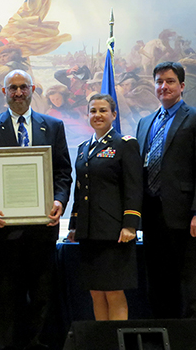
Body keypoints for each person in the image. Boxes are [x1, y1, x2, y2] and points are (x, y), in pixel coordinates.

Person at [0, 69, 72, 350]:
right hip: (4, 231)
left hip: (42, 230)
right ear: (4, 92)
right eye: (12, 88)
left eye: (23, 87)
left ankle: (36, 345)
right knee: (5, 295)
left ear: (33, 89)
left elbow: (63, 172)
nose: (18, 92)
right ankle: (5, 346)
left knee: (41, 295)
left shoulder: (52, 126)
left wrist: (59, 201)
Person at [135, 61, 196, 322]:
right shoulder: (144, 122)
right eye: (159, 81)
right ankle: (165, 338)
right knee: (158, 285)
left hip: (187, 218)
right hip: (152, 215)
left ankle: (192, 342)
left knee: (190, 286)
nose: (164, 86)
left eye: (170, 81)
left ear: (182, 86)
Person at [67, 93, 143, 321]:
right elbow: (80, 191)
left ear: (114, 115)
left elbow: (134, 187)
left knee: (113, 291)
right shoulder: (83, 148)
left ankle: (116, 342)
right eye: (93, 111)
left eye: (103, 110)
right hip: (89, 232)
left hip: (115, 233)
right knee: (96, 292)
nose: (97, 115)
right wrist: (74, 225)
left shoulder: (125, 144)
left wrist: (130, 225)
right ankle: (102, 341)